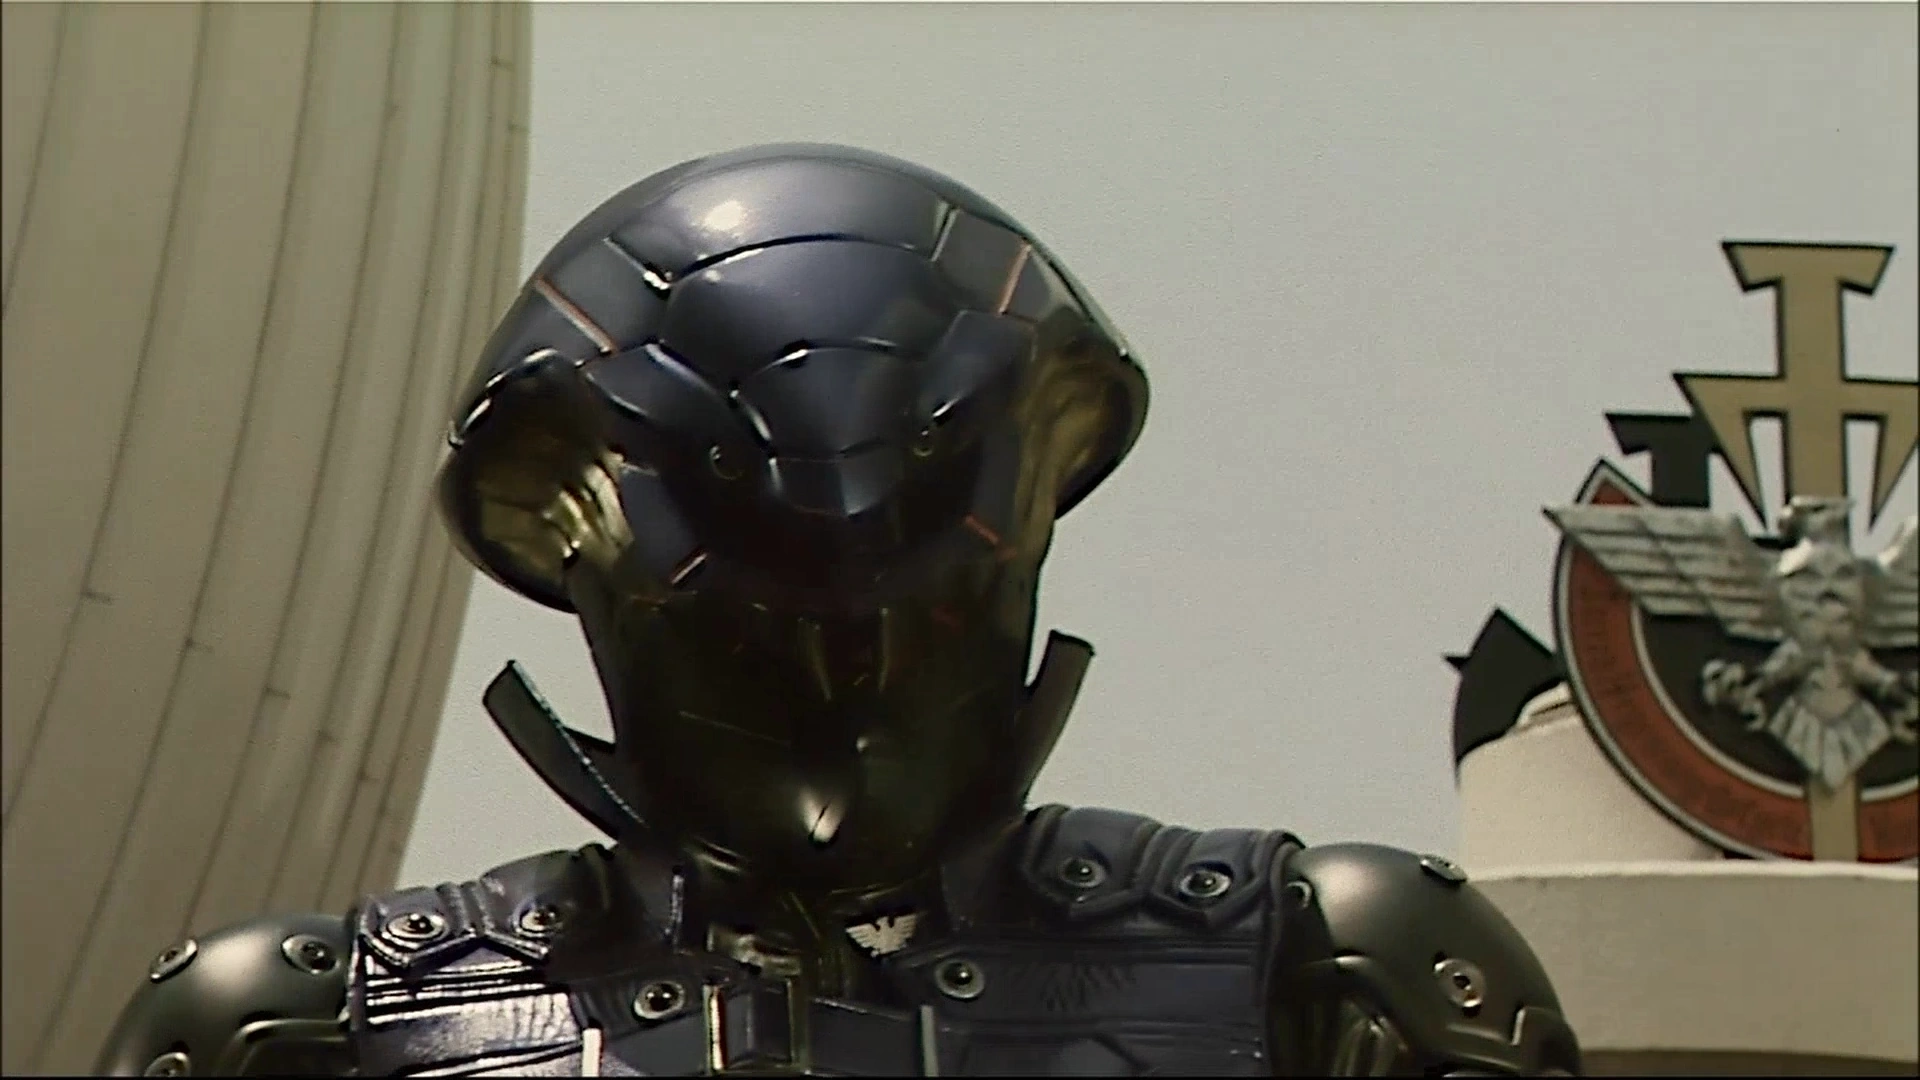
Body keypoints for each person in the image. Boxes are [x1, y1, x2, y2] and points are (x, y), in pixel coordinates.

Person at [97, 145, 1580, 1077]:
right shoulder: (300, 1033)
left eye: (896, 620)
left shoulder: (1325, 970)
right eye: (763, 637)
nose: (841, 669)